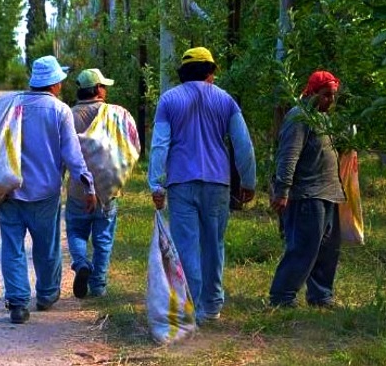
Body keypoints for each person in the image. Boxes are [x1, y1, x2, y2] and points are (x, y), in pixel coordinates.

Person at [147, 46, 256, 323]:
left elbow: (160, 144)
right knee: (214, 243)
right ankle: (212, 306)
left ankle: (193, 305)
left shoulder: (169, 100)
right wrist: (248, 180)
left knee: (186, 245)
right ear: (210, 72)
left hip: (181, 183)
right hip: (218, 183)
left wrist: (156, 184)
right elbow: (243, 144)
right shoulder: (226, 101)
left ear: (183, 73)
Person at [0, 55, 97, 324]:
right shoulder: (59, 110)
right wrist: (88, 185)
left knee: (12, 247)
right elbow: (72, 155)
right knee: (47, 246)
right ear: (54, 83)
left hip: (9, 190)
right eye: (60, 80)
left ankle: (18, 303)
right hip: (44, 194)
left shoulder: (13, 105)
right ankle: (46, 294)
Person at [269, 71, 345, 308]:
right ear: (311, 93)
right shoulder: (299, 117)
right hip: (306, 195)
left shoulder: (323, 119)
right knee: (303, 248)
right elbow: (289, 156)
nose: (330, 101)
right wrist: (282, 190)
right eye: (325, 95)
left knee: (327, 250)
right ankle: (282, 296)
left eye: (333, 96)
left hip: (328, 193)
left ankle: (321, 295)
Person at [65, 69, 139, 299]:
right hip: (108, 189)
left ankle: (80, 263)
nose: (105, 90)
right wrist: (120, 175)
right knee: (103, 239)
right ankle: (98, 287)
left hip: (78, 189)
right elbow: (134, 145)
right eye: (103, 86)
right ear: (97, 89)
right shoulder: (117, 113)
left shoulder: (68, 116)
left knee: (76, 231)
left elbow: (62, 152)